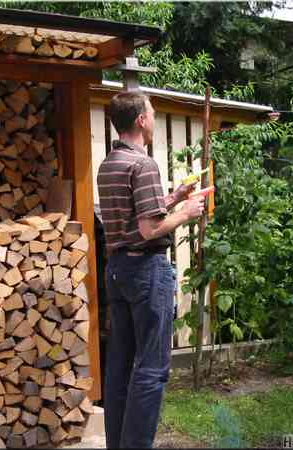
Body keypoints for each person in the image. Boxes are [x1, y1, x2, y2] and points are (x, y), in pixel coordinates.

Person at [97, 91, 204, 448]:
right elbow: (149, 229)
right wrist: (186, 213)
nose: (154, 119)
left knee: (120, 367)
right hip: (145, 270)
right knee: (152, 368)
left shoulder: (110, 163)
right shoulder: (143, 164)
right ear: (141, 120)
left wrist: (174, 198)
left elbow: (135, 216)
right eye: (152, 113)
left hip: (117, 270)